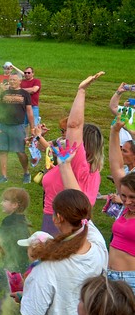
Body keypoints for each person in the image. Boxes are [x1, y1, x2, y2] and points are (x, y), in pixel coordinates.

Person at [37, 73, 104, 234]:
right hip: (68, 223)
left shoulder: (77, 161)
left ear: (83, 142)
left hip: (59, 224)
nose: (66, 136)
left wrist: (81, 91)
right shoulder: (94, 171)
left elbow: (74, 125)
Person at [104, 119, 135, 291]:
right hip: (110, 277)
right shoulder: (126, 207)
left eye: (133, 198)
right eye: (124, 196)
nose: (127, 202)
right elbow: (116, 166)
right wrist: (114, 131)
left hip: (131, 281)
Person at [0, 73, 35, 185]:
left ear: (20, 81)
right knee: (3, 151)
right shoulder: (4, 93)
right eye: (10, 79)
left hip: (17, 126)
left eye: (14, 80)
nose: (11, 81)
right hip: (3, 126)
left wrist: (32, 128)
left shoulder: (25, 94)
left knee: (20, 152)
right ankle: (3, 176)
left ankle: (26, 173)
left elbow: (29, 112)